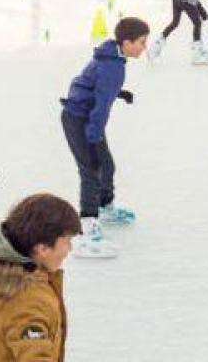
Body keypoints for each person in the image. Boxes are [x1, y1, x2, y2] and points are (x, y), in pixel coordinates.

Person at [60, 17, 149, 258]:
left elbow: (97, 85)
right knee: (91, 169)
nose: (144, 47)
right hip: (79, 119)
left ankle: (104, 206)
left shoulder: (113, 56)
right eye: (141, 42)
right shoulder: (113, 65)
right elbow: (101, 107)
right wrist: (93, 137)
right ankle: (87, 227)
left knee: (106, 165)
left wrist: (118, 93)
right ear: (127, 42)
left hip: (87, 118)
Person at [0, 193, 81, 362]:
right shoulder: (29, 301)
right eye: (67, 241)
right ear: (42, 248)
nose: (70, 249)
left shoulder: (0, 278)